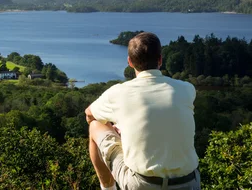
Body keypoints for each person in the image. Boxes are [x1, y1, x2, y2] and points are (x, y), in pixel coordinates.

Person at [85, 32, 200, 190]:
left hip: (142, 184)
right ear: (160, 59)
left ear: (130, 62)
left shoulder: (119, 93)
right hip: (189, 183)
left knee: (95, 125)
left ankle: (108, 188)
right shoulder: (187, 89)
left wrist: (119, 129)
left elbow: (89, 113)